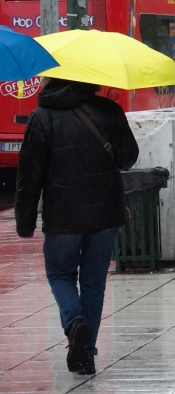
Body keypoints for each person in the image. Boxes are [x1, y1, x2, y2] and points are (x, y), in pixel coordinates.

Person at [15, 77, 139, 375]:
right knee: (94, 283)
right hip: (106, 213)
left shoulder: (41, 117)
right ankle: (86, 354)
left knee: (60, 273)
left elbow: (29, 174)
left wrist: (25, 221)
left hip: (63, 216)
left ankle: (74, 322)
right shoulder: (109, 110)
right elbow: (129, 157)